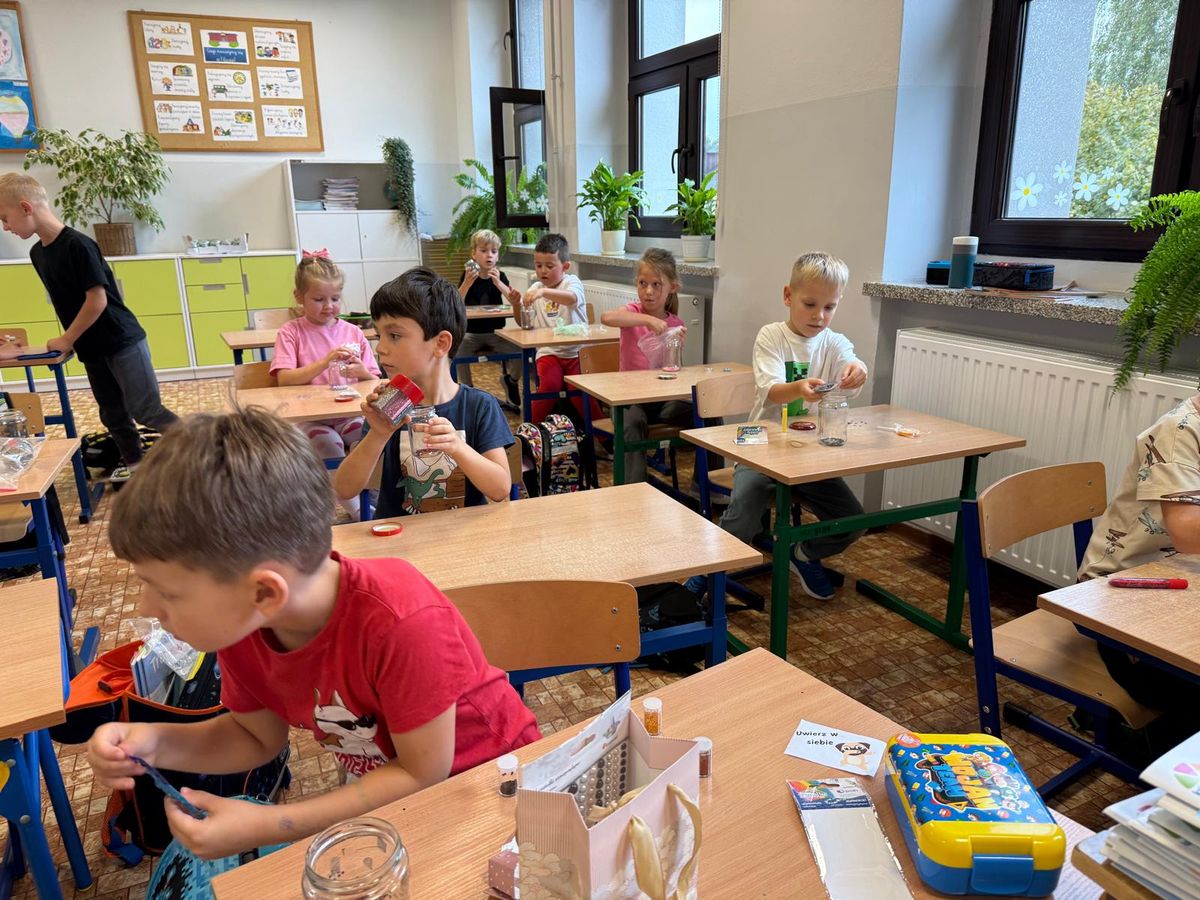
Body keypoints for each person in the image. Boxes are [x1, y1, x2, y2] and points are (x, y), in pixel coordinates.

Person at [86, 406, 540, 860]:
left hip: (495, 787)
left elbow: (421, 774)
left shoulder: (398, 618)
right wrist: (155, 742)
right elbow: (255, 736)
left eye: (167, 592)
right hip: (401, 793)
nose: (146, 609)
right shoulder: (247, 621)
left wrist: (272, 824)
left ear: (265, 592)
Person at [690, 252, 869, 601]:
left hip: (806, 452)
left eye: (829, 307)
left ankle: (802, 552)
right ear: (788, 296)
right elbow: (770, 389)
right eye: (810, 304)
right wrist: (798, 389)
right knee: (746, 506)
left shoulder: (834, 342)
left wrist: (858, 370)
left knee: (853, 520)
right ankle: (707, 572)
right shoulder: (771, 336)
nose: (819, 316)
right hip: (757, 437)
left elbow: (851, 360)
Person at [0, 173, 177, 481]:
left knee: (146, 410)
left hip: (121, 341)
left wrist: (67, 338)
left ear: (26, 207)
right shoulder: (37, 253)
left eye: (5, 218)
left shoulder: (78, 245)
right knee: (113, 415)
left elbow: (97, 300)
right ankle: (138, 474)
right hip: (91, 349)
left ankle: (211, 451)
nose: (5, 227)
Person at [333, 267, 513, 516]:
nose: (380, 348)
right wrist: (378, 434)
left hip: (463, 536)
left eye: (394, 335)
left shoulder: (479, 406)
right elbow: (344, 489)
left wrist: (458, 447)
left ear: (440, 343)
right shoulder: (390, 405)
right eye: (379, 335)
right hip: (400, 535)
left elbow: (500, 489)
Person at [1076, 395, 1200, 738]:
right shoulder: (1178, 431)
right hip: (1116, 595)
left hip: (1180, 584)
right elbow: (1188, 533)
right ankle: (1154, 749)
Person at [270, 252, 380, 519]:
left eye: (335, 298)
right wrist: (324, 362)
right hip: (310, 418)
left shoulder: (353, 332)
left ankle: (375, 494)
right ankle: (356, 508)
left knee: (370, 437)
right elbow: (284, 379)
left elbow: (374, 379)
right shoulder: (291, 332)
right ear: (299, 297)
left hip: (348, 414)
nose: (328, 306)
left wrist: (361, 372)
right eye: (318, 299)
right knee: (329, 445)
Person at [600, 248, 694, 483]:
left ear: (672, 287)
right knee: (632, 424)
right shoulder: (633, 313)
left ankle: (705, 486)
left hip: (661, 400)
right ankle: (633, 490)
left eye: (656, 285)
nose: (648, 291)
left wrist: (675, 347)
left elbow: (675, 369)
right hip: (629, 399)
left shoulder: (675, 323)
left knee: (707, 412)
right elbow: (607, 317)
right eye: (643, 283)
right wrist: (648, 320)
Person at [521, 233, 602, 424]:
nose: (543, 271)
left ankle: (602, 436)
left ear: (565, 266)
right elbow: (524, 322)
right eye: (538, 265)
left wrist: (543, 292)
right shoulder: (535, 288)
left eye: (550, 266)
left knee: (579, 392)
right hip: (549, 352)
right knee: (550, 386)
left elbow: (572, 298)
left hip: (576, 352)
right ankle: (529, 431)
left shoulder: (572, 282)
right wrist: (518, 303)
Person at [454, 228, 522, 409]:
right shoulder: (468, 276)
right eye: (483, 251)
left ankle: (511, 381)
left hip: (496, 333)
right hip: (471, 334)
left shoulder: (501, 276)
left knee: (520, 349)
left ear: (498, 255)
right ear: (474, 254)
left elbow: (513, 300)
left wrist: (498, 283)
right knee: (457, 350)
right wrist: (467, 282)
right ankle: (467, 389)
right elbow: (456, 302)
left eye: (494, 251)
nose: (489, 255)